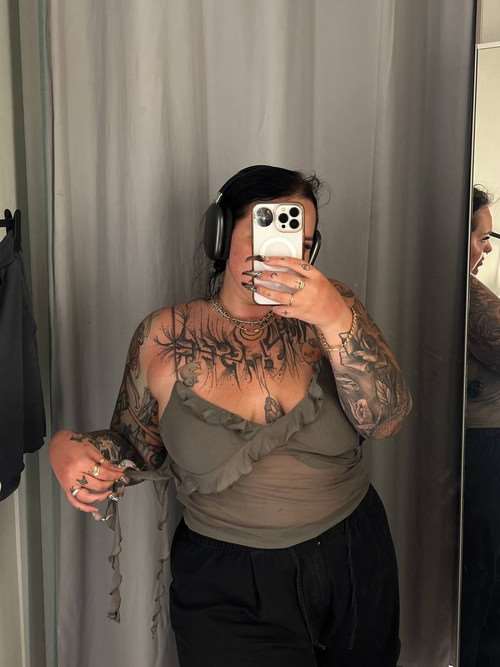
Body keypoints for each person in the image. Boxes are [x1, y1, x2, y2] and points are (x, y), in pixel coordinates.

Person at [49, 165, 413, 666]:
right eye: (265, 234)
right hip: (228, 583)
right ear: (219, 235)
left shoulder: (336, 311)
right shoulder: (165, 337)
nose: (281, 255)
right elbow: (137, 447)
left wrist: (334, 318)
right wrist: (71, 448)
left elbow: (387, 419)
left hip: (354, 556)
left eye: (300, 243)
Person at [461, 185, 500, 666]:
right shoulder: (464, 293)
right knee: (483, 574)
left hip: (484, 448)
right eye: (482, 237)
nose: (487, 248)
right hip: (484, 450)